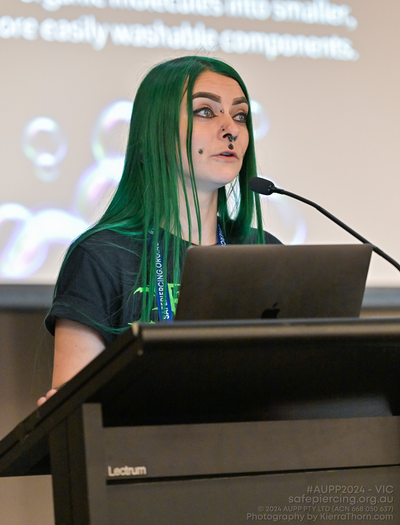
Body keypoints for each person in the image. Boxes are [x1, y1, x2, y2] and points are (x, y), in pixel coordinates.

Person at [37, 55, 280, 406]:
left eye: (240, 115)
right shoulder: (101, 255)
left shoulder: (265, 252)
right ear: (157, 131)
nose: (232, 129)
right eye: (206, 112)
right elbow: (76, 415)